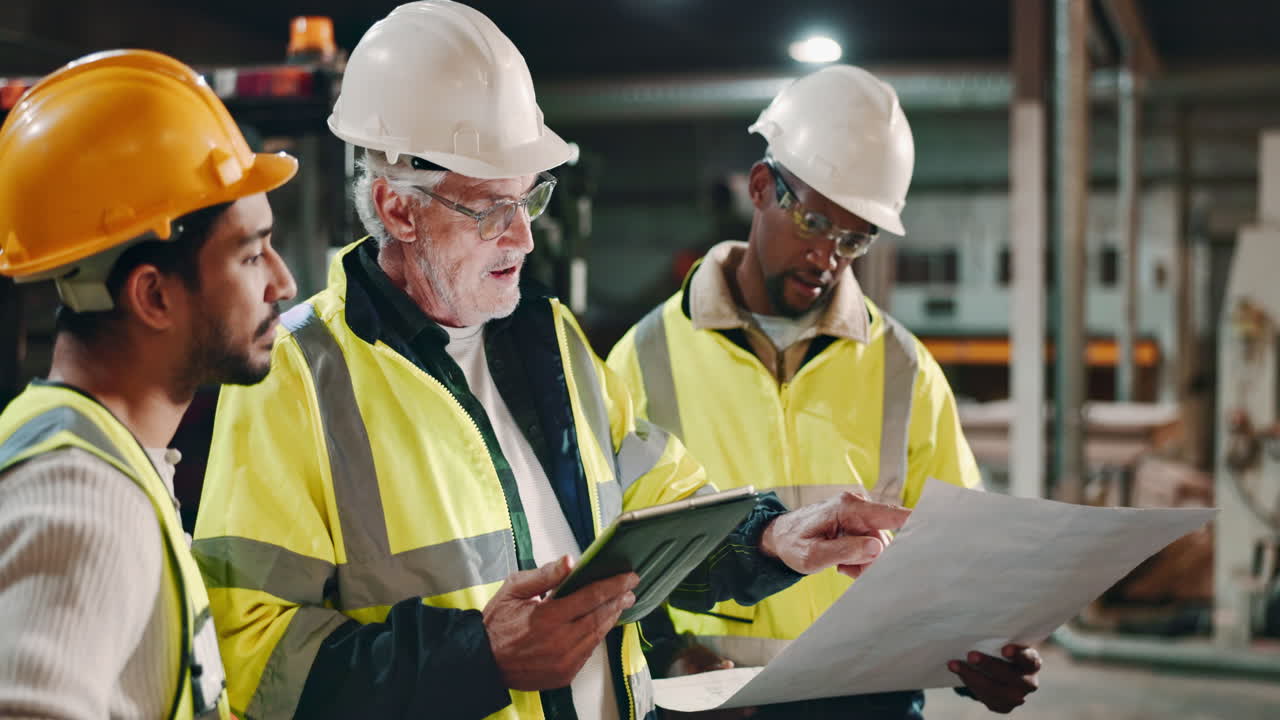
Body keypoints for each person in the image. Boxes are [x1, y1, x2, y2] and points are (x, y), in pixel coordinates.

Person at [190, 3, 911, 719]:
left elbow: (666, 510)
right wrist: (479, 657)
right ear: (399, 210)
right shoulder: (294, 376)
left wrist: (772, 537)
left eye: (529, 201)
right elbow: (255, 664)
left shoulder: (549, 340)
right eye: (492, 209)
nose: (524, 239)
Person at [607, 65, 1042, 718]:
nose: (828, 256)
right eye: (813, 222)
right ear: (761, 187)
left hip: (867, 701)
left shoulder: (904, 369)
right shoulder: (642, 359)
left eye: (855, 238)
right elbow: (607, 555)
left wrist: (982, 654)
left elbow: (956, 561)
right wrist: (668, 655)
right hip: (707, 701)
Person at [0, 50, 297, 719]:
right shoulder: (84, 505)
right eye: (251, 255)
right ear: (154, 296)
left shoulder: (87, 453)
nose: (284, 283)